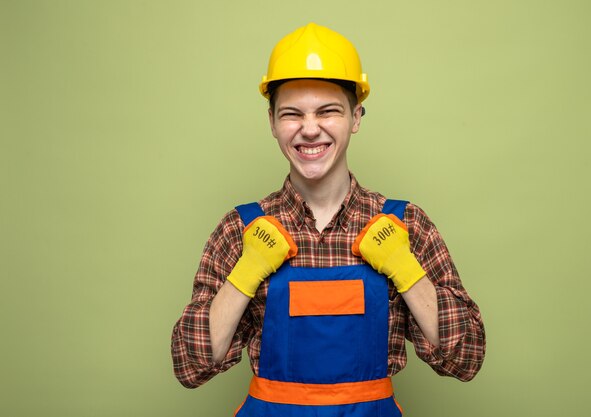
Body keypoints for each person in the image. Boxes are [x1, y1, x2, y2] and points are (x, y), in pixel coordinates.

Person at [171, 22, 486, 417]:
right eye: (292, 114)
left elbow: (466, 357)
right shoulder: (240, 230)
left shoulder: (407, 225)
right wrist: (245, 271)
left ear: (356, 116)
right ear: (272, 122)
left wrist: (405, 268)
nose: (309, 129)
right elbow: (191, 363)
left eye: (327, 111)